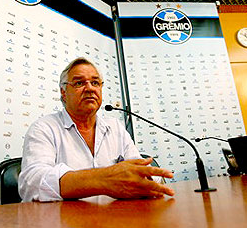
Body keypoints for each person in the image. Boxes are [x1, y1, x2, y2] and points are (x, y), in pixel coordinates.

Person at [18, 57, 174, 202]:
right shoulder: (44, 128)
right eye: (79, 83)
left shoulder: (115, 127)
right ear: (63, 92)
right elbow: (32, 184)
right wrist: (104, 179)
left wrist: (149, 178)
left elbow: (141, 169)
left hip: (116, 217)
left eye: (95, 83)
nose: (89, 88)